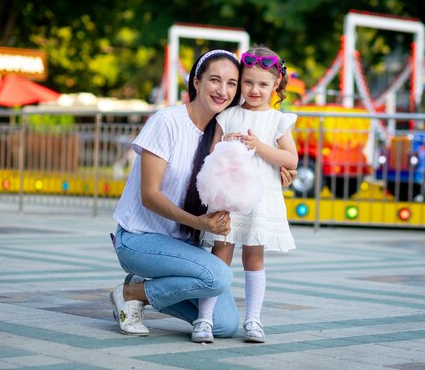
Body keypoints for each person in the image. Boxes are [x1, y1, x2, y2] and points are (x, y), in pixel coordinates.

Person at [109, 49, 295, 340]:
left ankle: (146, 289)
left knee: (222, 325)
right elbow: (149, 195)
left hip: (183, 245)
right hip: (141, 238)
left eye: (232, 83)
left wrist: (274, 174)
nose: (223, 90)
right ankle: (130, 292)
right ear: (196, 82)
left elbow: (242, 171)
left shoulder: (222, 128)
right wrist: (200, 224)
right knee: (218, 276)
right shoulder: (167, 121)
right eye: (215, 80)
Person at [192, 46, 298, 344]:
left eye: (263, 84)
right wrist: (225, 142)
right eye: (248, 82)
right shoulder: (228, 115)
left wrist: (259, 146)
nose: (254, 90)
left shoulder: (278, 120)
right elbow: (211, 152)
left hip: (261, 200)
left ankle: (253, 320)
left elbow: (291, 160)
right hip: (228, 196)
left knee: (254, 258)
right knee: (220, 255)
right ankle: (204, 319)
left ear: (276, 84)